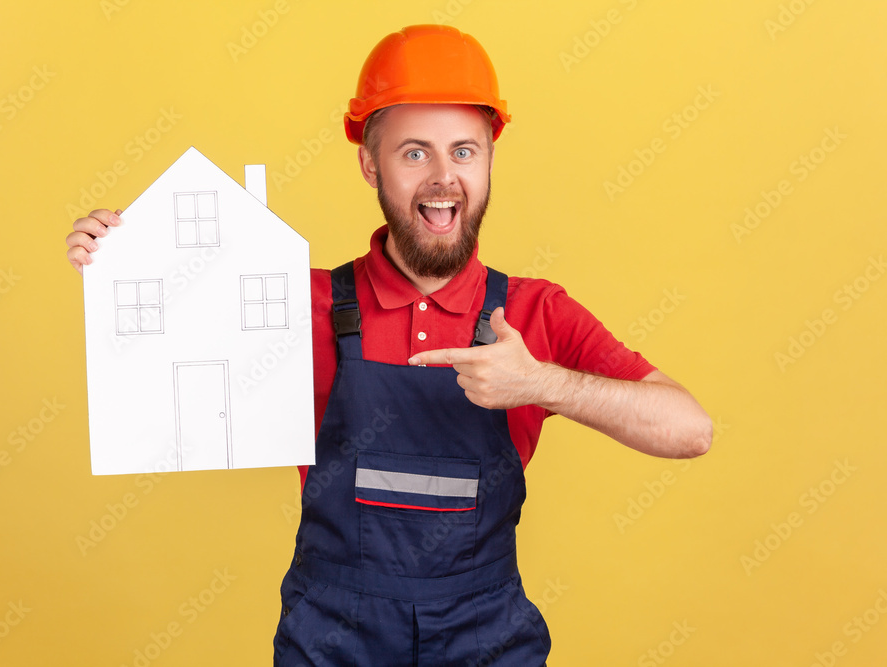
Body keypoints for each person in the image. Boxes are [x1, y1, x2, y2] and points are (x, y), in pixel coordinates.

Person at [66, 24, 712, 666]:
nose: (442, 178)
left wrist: (541, 383)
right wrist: (119, 257)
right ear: (370, 162)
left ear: (490, 158)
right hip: (332, 642)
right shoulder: (301, 303)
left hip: (486, 644)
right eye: (414, 153)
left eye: (464, 151)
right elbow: (166, 349)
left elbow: (690, 429)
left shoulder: (533, 314)